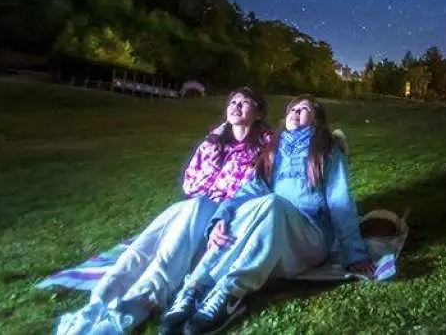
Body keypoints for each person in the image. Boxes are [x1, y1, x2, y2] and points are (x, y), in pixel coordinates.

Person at [55, 88, 273, 335]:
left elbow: (255, 189)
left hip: (227, 213)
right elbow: (190, 184)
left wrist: (221, 211)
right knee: (145, 246)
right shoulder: (214, 141)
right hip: (195, 206)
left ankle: (131, 309)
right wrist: (214, 149)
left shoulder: (266, 144)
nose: (236, 106)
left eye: (245, 102)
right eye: (233, 102)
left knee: (168, 254)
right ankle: (96, 306)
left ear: (258, 112)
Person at [159, 95, 374, 335]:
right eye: (292, 108)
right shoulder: (275, 150)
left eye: (304, 109)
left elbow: (340, 201)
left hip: (310, 239)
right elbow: (249, 190)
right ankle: (195, 287)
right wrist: (221, 217)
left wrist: (355, 252)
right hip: (276, 234)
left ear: (317, 120)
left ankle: (230, 292)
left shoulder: (327, 150)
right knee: (244, 209)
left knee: (273, 204)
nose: (295, 111)